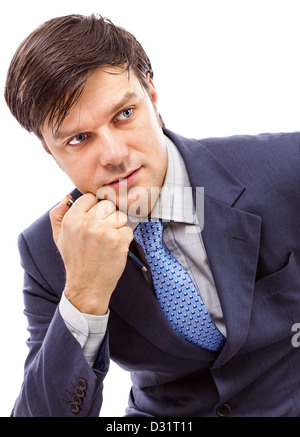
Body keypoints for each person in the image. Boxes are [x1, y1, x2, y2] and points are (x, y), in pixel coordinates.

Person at [4, 13, 300, 417]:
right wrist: (85, 294)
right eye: (78, 138)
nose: (115, 155)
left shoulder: (285, 167)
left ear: (152, 93)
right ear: (49, 151)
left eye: (123, 115)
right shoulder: (45, 251)